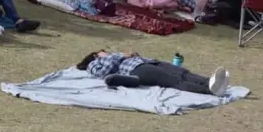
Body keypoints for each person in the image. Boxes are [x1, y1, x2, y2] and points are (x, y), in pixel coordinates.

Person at [77, 49, 230, 97]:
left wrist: (135, 55)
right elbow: (103, 73)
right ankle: (209, 90)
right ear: (96, 54)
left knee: (183, 73)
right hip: (138, 70)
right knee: (175, 81)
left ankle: (212, 81)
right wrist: (117, 56)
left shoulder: (112, 56)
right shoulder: (93, 64)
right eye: (104, 51)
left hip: (148, 62)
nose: (107, 51)